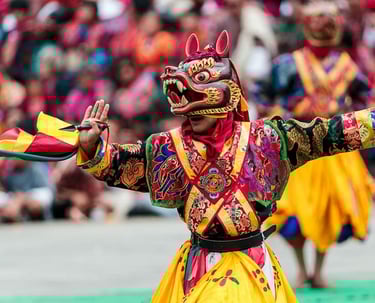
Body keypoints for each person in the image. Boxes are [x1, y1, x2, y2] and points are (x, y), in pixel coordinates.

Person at [72, 29, 375, 302]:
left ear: (227, 101)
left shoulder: (266, 139)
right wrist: (91, 147)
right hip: (199, 263)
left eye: (200, 110)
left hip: (249, 262)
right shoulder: (170, 148)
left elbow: (328, 134)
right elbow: (123, 164)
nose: (192, 118)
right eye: (188, 113)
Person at [252, 1, 374, 289]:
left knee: (328, 210)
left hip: (333, 149)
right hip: (295, 146)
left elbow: (365, 96)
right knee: (291, 210)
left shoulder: (345, 66)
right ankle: (302, 268)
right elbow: (261, 92)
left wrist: (350, 117)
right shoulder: (288, 64)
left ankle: (317, 269)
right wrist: (275, 117)